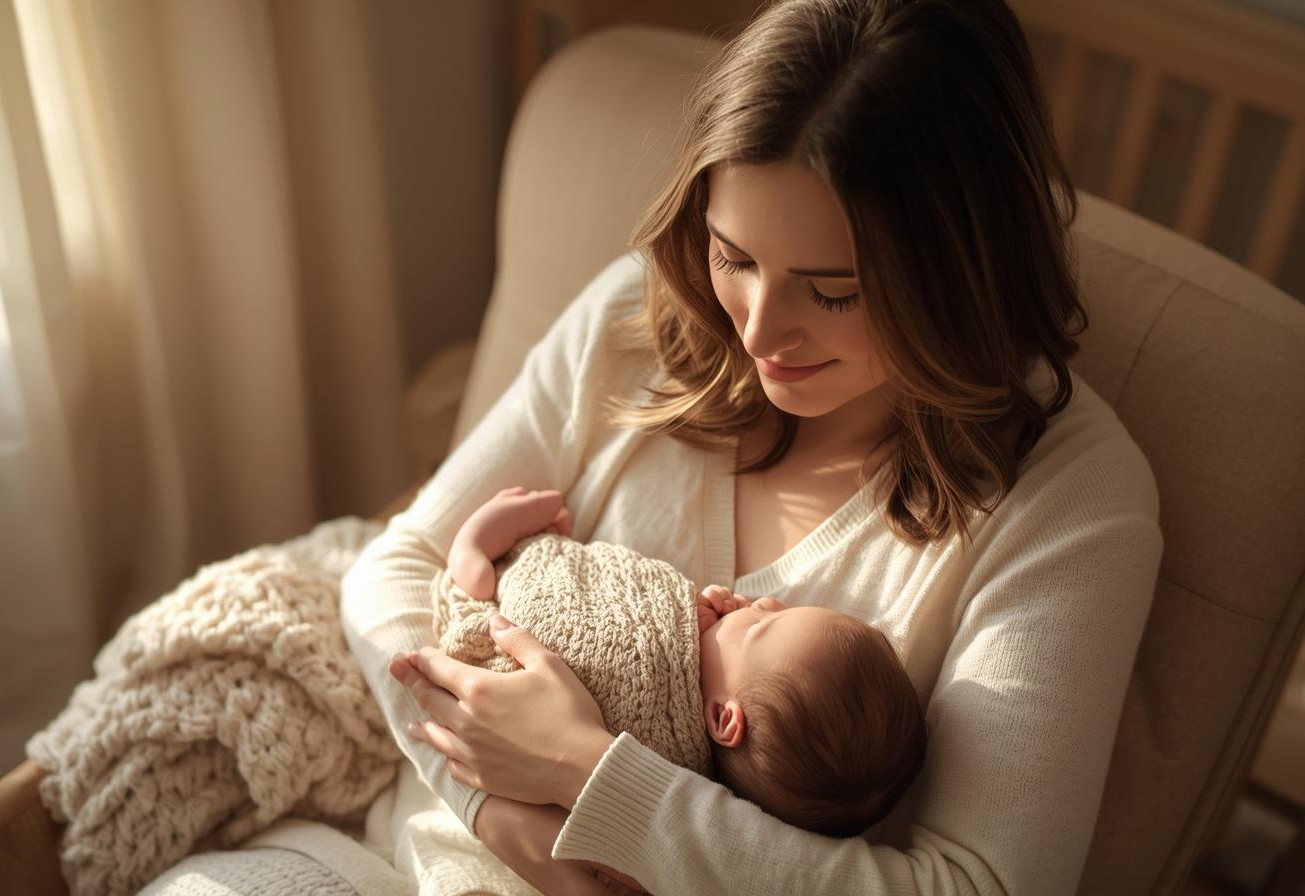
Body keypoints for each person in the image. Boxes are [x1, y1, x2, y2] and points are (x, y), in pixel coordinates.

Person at [343, 0, 1163, 893]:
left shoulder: (1069, 496)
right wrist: (497, 814)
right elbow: (397, 567)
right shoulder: (641, 318)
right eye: (735, 256)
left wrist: (590, 776)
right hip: (403, 847)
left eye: (835, 293)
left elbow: (981, 886)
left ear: (960, 272)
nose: (762, 332)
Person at [437, 486, 927, 839]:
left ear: (722, 718)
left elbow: (595, 644)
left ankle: (478, 559)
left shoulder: (661, 739)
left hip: (496, 633)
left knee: (487, 588)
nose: (759, 601)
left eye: (760, 626)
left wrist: (497, 549)